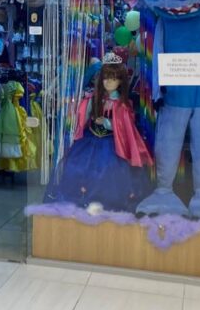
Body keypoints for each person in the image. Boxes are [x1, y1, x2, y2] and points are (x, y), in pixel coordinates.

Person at [44, 52, 153, 212]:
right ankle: (84, 201)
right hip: (90, 141)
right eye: (106, 78)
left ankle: (105, 202)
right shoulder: (94, 98)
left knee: (109, 173)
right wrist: (78, 110)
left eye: (113, 78)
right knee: (78, 168)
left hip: (111, 144)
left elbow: (124, 127)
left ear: (120, 81)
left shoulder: (122, 104)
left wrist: (108, 123)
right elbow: (83, 114)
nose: (109, 82)